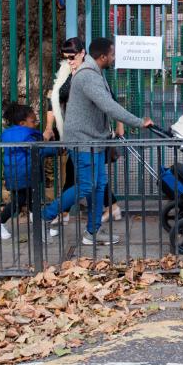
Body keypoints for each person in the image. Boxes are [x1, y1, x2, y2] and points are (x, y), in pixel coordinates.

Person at [40, 37, 153, 245]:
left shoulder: (94, 73)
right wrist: (139, 122)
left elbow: (107, 103)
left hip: (95, 141)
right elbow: (108, 106)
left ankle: (92, 232)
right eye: (112, 55)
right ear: (102, 57)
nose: (114, 58)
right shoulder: (88, 77)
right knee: (85, 186)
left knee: (98, 185)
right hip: (84, 142)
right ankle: (44, 217)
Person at [43, 37, 122, 224]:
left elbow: (110, 100)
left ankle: (56, 213)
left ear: (82, 53)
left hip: (91, 134)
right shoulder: (64, 73)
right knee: (88, 177)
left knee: (86, 177)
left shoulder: (90, 73)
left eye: (72, 57)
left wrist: (121, 125)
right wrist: (48, 127)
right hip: (74, 134)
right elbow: (52, 101)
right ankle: (106, 212)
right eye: (66, 57)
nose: (69, 61)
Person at [0, 102, 60, 241]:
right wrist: (56, 148)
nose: (35, 124)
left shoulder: (10, 134)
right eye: (33, 121)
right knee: (18, 201)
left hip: (17, 173)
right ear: (22, 123)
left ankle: (39, 227)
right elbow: (38, 151)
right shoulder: (27, 135)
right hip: (24, 174)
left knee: (33, 200)